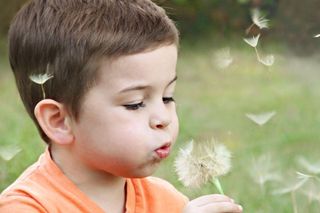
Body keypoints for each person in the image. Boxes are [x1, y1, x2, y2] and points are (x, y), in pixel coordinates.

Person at [0, 0, 243, 212]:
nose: (163, 118)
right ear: (59, 121)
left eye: (167, 97)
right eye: (135, 104)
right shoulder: (27, 206)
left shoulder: (168, 202)